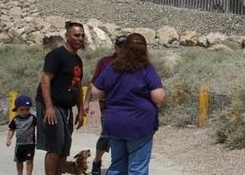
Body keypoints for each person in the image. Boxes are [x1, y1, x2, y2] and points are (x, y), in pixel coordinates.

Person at [91, 33, 165, 175]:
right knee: (137, 168)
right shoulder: (146, 69)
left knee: (118, 166)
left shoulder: (112, 67)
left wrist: (113, 94)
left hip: (115, 123)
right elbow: (158, 97)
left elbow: (96, 91)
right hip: (139, 124)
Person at [36, 21, 88, 175]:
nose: (80, 38)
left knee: (65, 146)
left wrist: (79, 110)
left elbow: (77, 85)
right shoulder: (56, 55)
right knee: (55, 145)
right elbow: (45, 80)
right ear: (67, 36)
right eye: (76, 35)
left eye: (82, 36)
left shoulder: (77, 60)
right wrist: (49, 107)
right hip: (52, 104)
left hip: (66, 107)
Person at [89, 34, 127, 175]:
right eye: (120, 47)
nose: (123, 50)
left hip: (127, 109)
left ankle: (120, 166)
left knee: (124, 137)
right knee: (106, 136)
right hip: (108, 108)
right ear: (115, 47)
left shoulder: (133, 64)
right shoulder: (105, 62)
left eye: (126, 47)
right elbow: (94, 83)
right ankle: (97, 161)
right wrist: (87, 103)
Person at [6, 95, 37, 175]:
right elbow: (11, 130)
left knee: (29, 161)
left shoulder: (32, 118)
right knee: (19, 161)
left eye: (27, 109)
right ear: (17, 110)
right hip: (19, 145)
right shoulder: (15, 120)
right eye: (22, 110)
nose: (24, 112)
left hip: (30, 144)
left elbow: (39, 127)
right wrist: (9, 139)